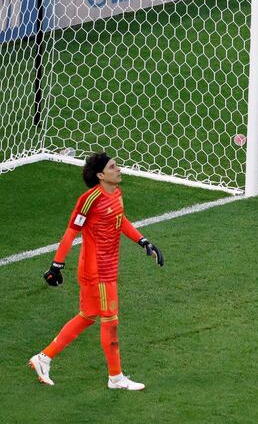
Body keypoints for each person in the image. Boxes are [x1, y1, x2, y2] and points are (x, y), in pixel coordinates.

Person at [29, 152, 164, 390]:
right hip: (97, 272)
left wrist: (144, 241)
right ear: (101, 175)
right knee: (110, 322)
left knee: (87, 316)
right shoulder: (89, 199)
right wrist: (56, 266)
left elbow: (120, 220)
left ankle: (43, 358)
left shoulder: (116, 193)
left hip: (107, 268)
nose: (119, 169)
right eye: (113, 167)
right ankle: (116, 378)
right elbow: (72, 231)